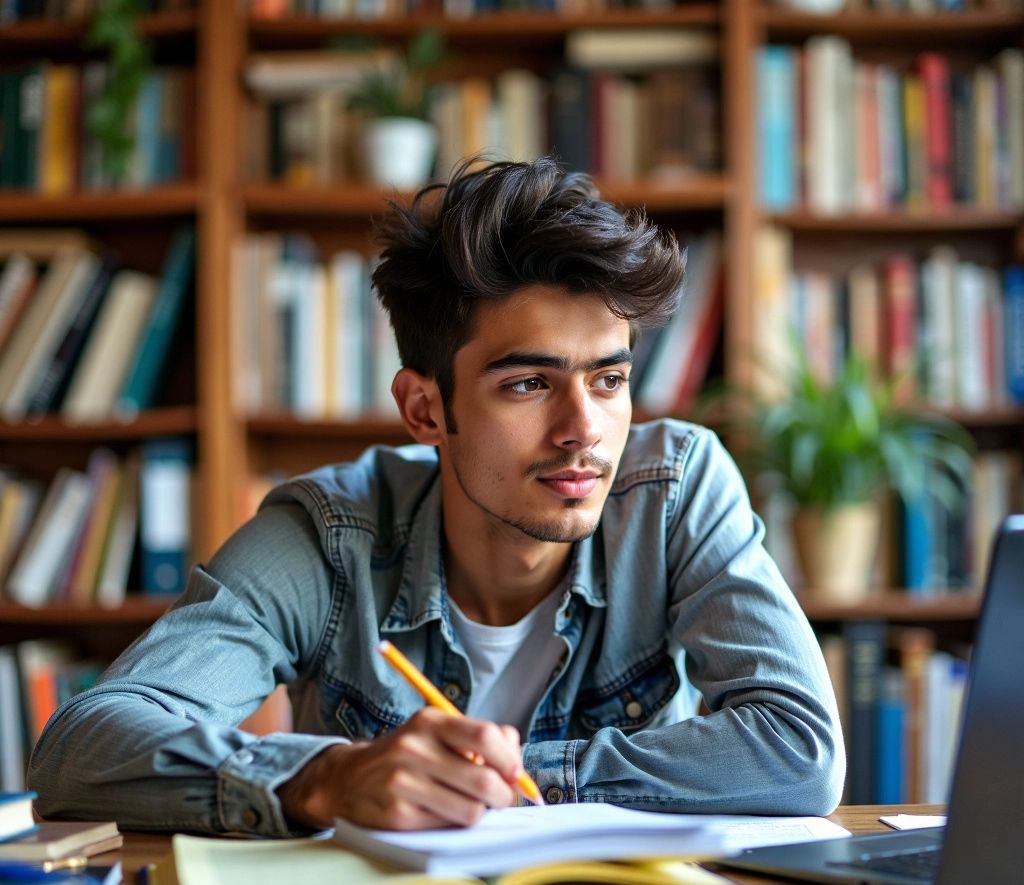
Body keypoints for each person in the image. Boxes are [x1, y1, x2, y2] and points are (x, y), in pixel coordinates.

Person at [29, 158, 844, 836]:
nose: (583, 429)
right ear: (426, 408)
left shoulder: (672, 489)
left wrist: (522, 778)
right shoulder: (327, 534)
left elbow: (799, 750)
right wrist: (327, 779)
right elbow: (82, 746)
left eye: (609, 379)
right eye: (528, 383)